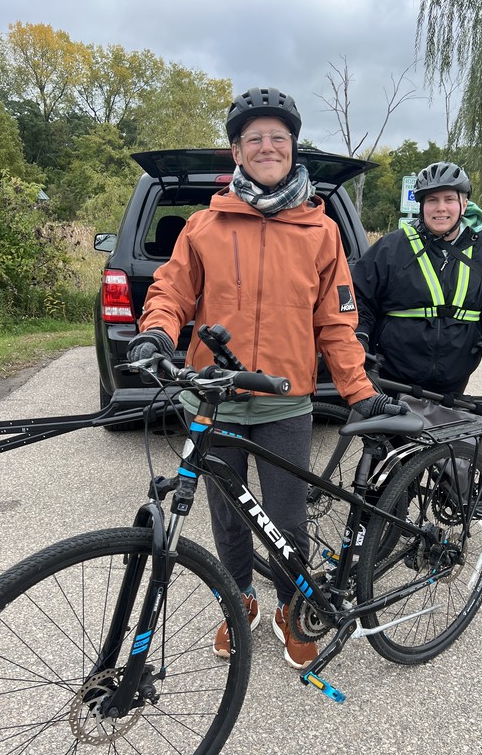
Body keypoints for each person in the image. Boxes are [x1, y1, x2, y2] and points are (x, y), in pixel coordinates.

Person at [126, 87, 403, 670]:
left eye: (278, 136)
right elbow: (171, 291)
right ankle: (238, 600)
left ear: (293, 147)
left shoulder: (320, 232)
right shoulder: (204, 225)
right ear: (237, 152)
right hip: (216, 400)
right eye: (255, 138)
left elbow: (337, 321)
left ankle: (290, 608)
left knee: (287, 520)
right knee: (227, 517)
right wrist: (155, 331)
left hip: (286, 400)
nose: (267, 146)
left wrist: (359, 392)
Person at [352, 161, 482, 396]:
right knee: (390, 433)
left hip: (455, 374)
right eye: (432, 200)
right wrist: (360, 333)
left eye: (449, 199)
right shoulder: (391, 247)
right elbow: (360, 296)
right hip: (393, 372)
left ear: (463, 204)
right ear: (422, 206)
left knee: (448, 431)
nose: (440, 208)